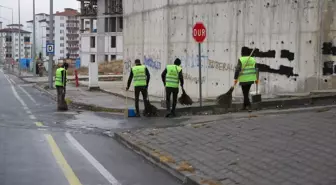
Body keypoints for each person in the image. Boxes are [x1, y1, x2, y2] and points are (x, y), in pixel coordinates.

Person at [234, 47, 259, 112]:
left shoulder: (241, 59)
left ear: (242, 52)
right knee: (246, 93)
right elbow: (256, 69)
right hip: (251, 79)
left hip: (243, 79)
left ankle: (249, 106)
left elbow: (237, 69)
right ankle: (244, 106)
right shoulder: (252, 59)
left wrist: (235, 78)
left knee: (245, 93)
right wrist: (257, 78)